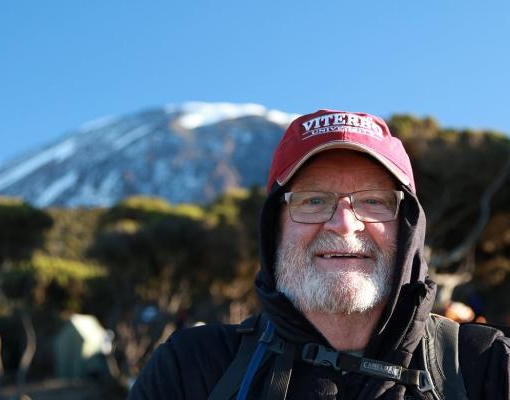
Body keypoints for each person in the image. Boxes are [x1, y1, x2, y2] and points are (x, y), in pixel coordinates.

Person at [128, 109, 510, 399]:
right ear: (274, 228)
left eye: (374, 201)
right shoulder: (192, 370)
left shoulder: (489, 367)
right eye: (312, 200)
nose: (344, 224)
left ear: (408, 227)